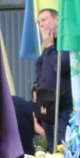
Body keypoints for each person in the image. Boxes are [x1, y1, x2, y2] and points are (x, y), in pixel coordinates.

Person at [32, 8, 74, 145]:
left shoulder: (65, 42)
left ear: (56, 19)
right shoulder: (47, 48)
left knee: (62, 146)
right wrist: (36, 87)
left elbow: (61, 65)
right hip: (47, 107)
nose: (41, 24)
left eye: (44, 20)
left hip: (62, 109)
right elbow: (41, 71)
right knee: (51, 148)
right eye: (38, 22)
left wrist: (50, 45)